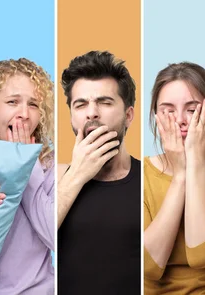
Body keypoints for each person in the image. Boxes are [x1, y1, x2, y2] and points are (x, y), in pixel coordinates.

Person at [57, 51, 140, 294]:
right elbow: (33, 247)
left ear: (128, 116)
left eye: (104, 102)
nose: (92, 112)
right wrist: (77, 175)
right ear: (72, 117)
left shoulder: (150, 180)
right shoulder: (51, 180)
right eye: (80, 104)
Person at [0, 58, 55, 294]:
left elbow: (56, 238)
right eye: (12, 102)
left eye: (34, 105)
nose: (24, 114)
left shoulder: (51, 169)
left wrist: (24, 167)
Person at [143, 62, 205, 294]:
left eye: (192, 110)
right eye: (168, 110)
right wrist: (180, 175)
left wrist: (196, 163)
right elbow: (147, 266)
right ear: (156, 117)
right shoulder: (139, 174)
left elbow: (202, 256)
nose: (180, 119)